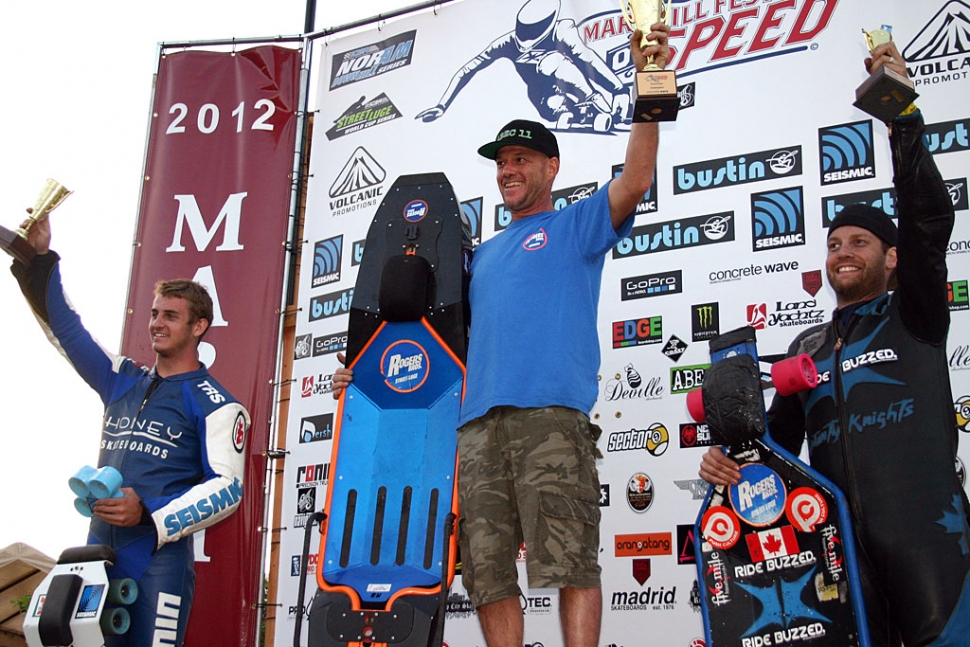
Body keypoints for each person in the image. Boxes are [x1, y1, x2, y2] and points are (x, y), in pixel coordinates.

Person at [333, 22, 668, 647]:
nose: (508, 170)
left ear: (551, 166)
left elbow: (638, 179)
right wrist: (364, 372)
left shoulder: (576, 225)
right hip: (477, 427)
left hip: (550, 417)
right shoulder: (478, 256)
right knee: (485, 574)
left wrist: (650, 88)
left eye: (520, 160)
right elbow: (432, 346)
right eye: (502, 162)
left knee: (570, 561)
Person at [699, 43, 970, 647]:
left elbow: (928, 219)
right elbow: (773, 448)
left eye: (860, 242)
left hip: (931, 540)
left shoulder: (915, 312)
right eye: (834, 243)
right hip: (835, 547)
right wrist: (730, 466)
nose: (843, 252)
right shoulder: (807, 348)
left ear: (891, 258)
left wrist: (901, 116)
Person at [9, 214, 249, 647]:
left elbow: (228, 489)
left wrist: (150, 513)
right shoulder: (121, 377)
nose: (157, 323)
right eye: (155, 314)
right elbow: (65, 330)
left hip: (158, 559)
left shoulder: (218, 404)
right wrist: (41, 260)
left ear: (198, 327)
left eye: (171, 316)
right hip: (95, 553)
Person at [415, 0, 629, 131]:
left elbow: (587, 58)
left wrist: (618, 89)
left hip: (574, 85)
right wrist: (442, 105)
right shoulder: (507, 43)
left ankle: (594, 101)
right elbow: (469, 68)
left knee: (552, 62)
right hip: (543, 99)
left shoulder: (562, 31)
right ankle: (568, 108)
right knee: (549, 71)